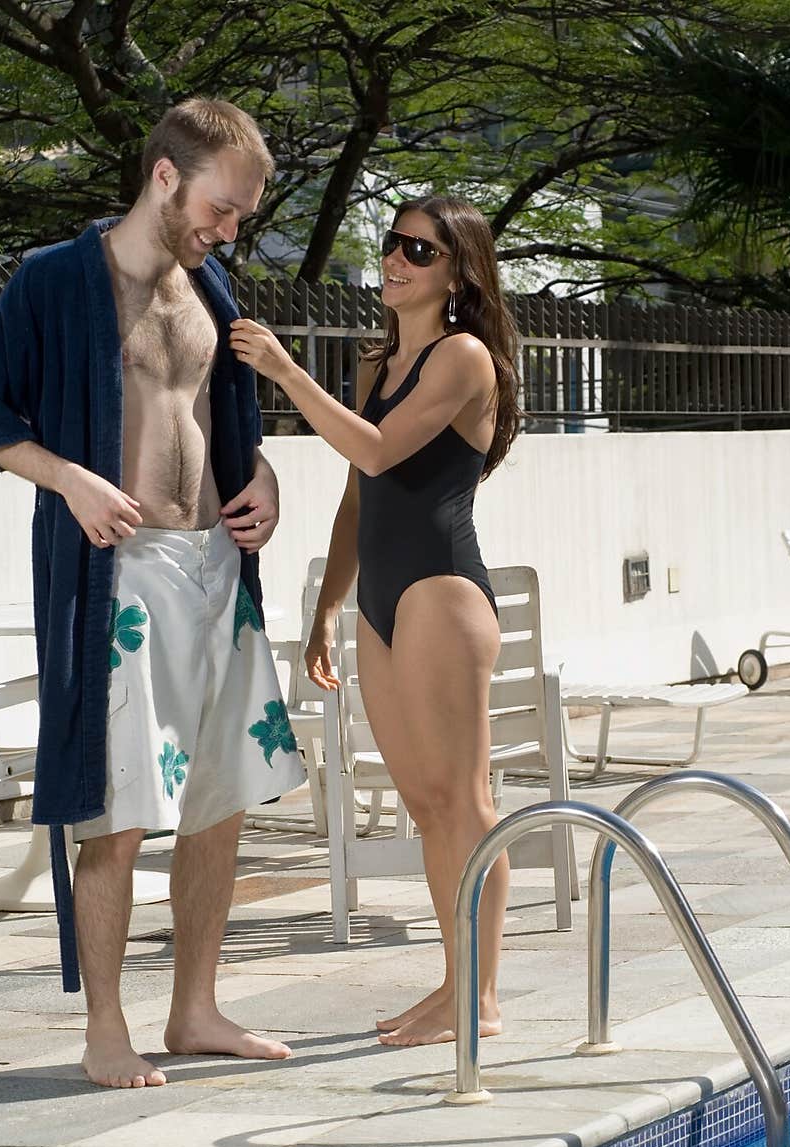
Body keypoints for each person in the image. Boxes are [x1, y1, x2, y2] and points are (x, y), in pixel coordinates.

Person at [0, 99, 305, 1088]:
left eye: (238, 215)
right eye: (221, 207)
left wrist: (265, 478)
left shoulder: (213, 289)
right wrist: (65, 476)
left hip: (217, 574)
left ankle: (194, 1007)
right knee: (114, 811)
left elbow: (221, 415)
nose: (229, 227)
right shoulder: (56, 282)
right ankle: (105, 1028)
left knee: (221, 803)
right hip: (124, 577)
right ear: (165, 176)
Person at [229, 196, 521, 1047]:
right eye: (392, 244)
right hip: (381, 600)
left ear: (459, 272)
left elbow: (379, 451)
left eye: (418, 250)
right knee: (428, 805)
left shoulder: (464, 357)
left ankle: (485, 994)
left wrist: (285, 372)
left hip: (441, 590)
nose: (395, 259)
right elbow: (360, 496)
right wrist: (325, 607)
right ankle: (454, 981)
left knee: (465, 799)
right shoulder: (378, 364)